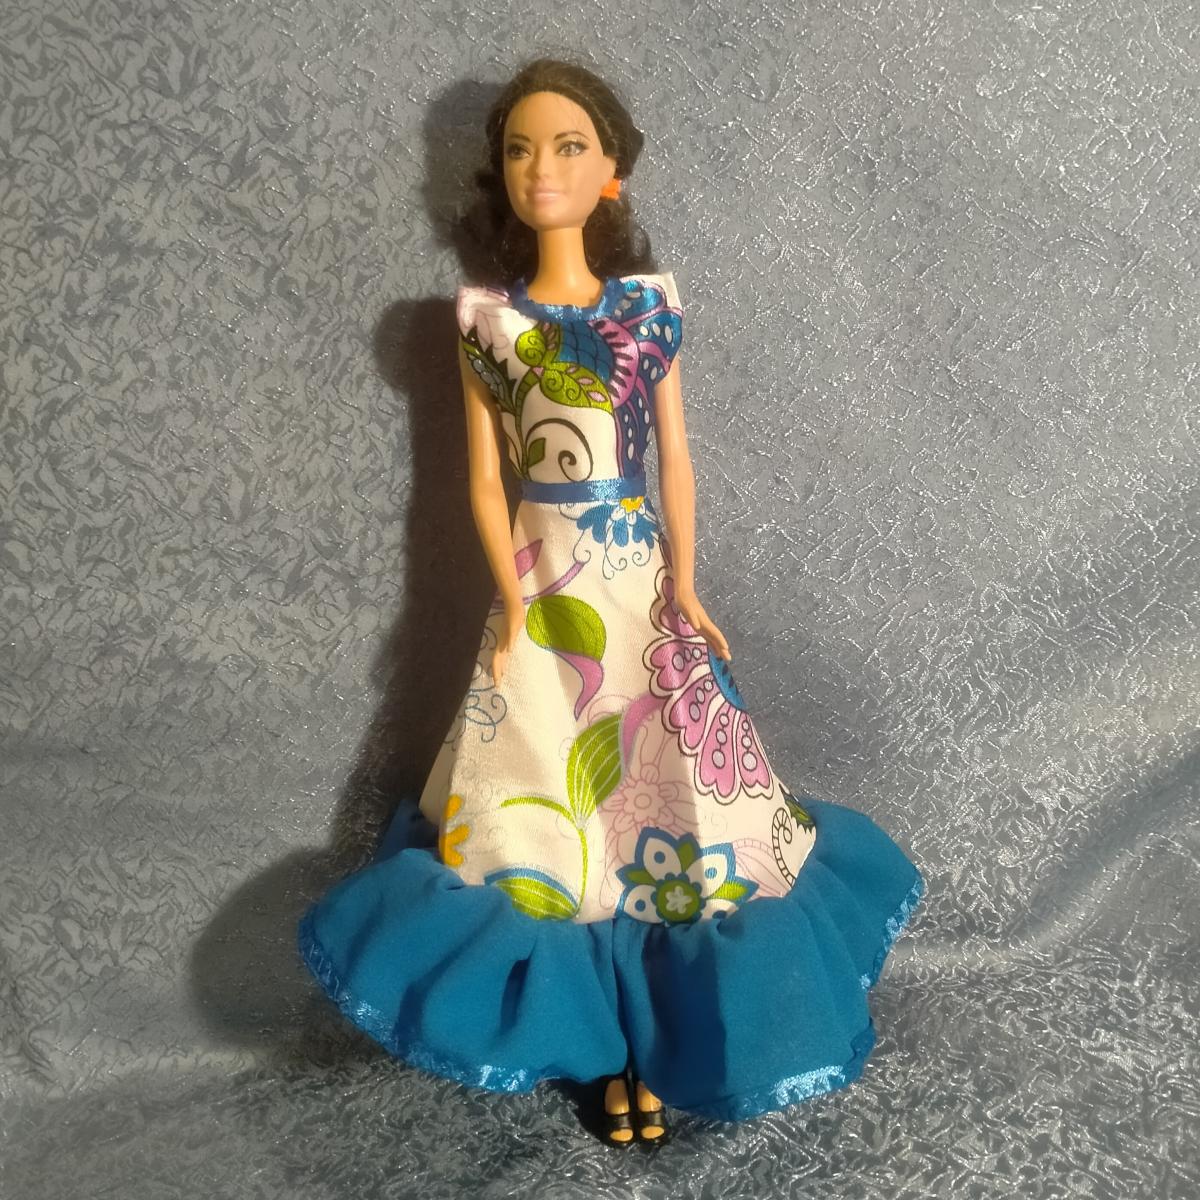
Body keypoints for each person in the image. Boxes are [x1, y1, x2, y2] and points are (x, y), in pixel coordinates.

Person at [297, 55, 926, 1148]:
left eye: (569, 147)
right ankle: (598, 1048)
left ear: (612, 174)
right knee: (549, 812)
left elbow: (675, 460)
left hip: (638, 582)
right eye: (520, 150)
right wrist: (512, 603)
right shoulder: (488, 320)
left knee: (671, 802)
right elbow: (483, 483)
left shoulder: (646, 309)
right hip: (544, 594)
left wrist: (685, 581)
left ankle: (664, 1042)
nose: (542, 169)